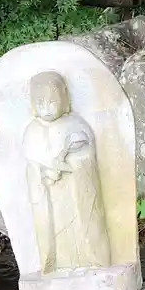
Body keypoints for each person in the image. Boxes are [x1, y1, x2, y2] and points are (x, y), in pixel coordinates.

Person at [22, 71, 111, 272]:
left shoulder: (76, 125)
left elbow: (87, 157)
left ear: (65, 100)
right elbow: (31, 163)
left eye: (52, 101)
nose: (47, 109)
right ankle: (55, 265)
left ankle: (94, 261)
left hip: (75, 193)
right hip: (50, 197)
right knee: (57, 233)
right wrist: (42, 172)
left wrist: (70, 162)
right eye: (40, 103)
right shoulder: (32, 131)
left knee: (81, 229)